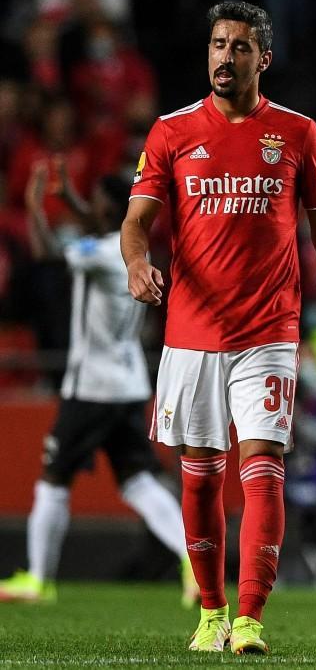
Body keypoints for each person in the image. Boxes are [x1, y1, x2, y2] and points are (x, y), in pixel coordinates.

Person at [120, 1, 316, 655]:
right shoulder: (170, 132)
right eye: (218, 45)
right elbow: (136, 219)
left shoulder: (298, 133)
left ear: (264, 59)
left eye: (240, 47)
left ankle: (250, 617)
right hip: (191, 333)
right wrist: (138, 262)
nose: (226, 56)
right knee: (198, 473)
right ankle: (211, 610)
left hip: (269, 331)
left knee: (264, 463)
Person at [0, 160, 198, 608]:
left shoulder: (103, 254)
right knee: (139, 482)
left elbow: (48, 252)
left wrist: (35, 206)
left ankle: (38, 579)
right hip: (127, 385)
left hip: (91, 388)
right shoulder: (134, 252)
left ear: (108, 210)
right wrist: (70, 196)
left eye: (96, 203)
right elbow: (104, 220)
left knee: (54, 478)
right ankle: (193, 562)